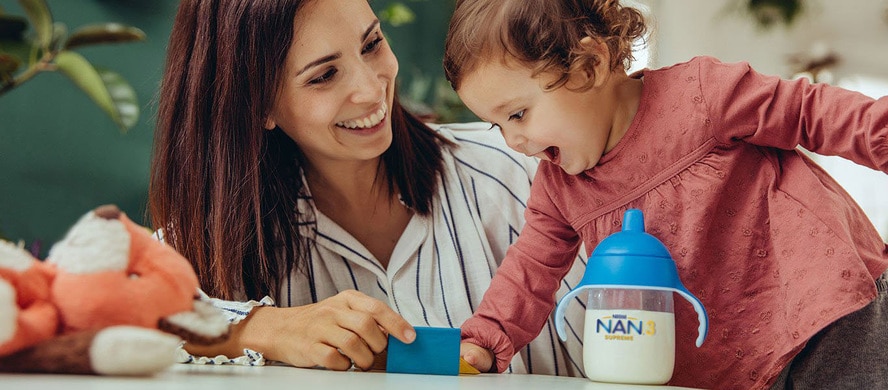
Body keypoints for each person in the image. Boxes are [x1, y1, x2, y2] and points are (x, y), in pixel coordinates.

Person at [442, 0, 888, 389]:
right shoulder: (559, 186)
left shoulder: (701, 94)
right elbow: (530, 266)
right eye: (498, 125)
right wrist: (487, 336)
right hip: (728, 356)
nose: (513, 141)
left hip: (824, 303)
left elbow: (811, 113)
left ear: (589, 66)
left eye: (518, 114)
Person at [148, 0, 587, 376]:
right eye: (323, 76)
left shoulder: (524, 168)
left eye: (372, 44)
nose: (370, 88)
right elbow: (101, 311)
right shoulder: (216, 239)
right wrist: (261, 328)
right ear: (259, 104)